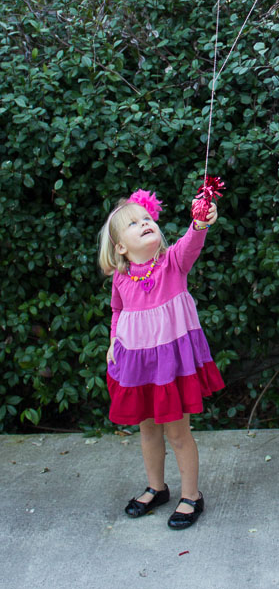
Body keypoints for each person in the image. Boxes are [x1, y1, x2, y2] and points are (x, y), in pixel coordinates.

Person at [98, 188, 225, 529]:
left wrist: (200, 223)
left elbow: (191, 243)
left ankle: (191, 496)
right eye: (134, 223)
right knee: (148, 430)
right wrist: (113, 341)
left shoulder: (173, 263)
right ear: (120, 247)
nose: (145, 224)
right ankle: (157, 488)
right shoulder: (122, 278)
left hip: (171, 367)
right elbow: (117, 311)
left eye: (148, 219)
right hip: (138, 366)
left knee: (178, 432)